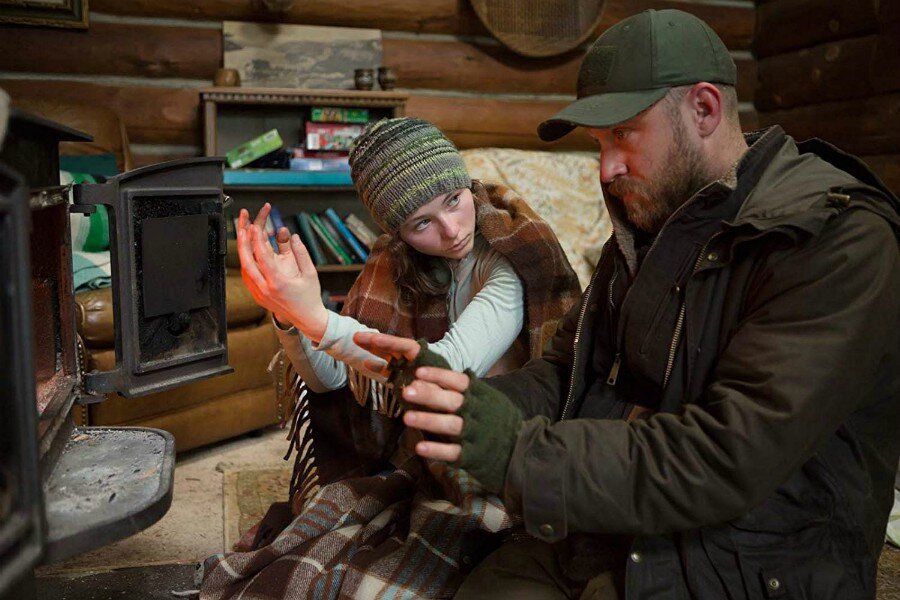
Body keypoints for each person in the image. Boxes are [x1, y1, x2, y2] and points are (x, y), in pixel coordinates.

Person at [354, 9, 900, 600]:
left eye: (624, 134)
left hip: (754, 558)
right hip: (613, 519)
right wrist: (461, 400)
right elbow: (569, 371)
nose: (605, 168)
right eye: (598, 142)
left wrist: (518, 452)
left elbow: (726, 456)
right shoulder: (650, 218)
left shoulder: (837, 240)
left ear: (705, 109)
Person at [198, 118, 581, 600]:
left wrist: (317, 316)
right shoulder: (393, 263)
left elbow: (445, 365)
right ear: (398, 231)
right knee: (315, 548)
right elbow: (328, 380)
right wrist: (289, 317)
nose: (452, 230)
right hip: (428, 442)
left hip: (509, 442)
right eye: (422, 223)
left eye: (454, 201)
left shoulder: (511, 259)